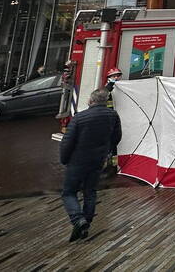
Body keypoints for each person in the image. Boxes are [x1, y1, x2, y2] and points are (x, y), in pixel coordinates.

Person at [59, 87, 121, 242]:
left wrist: (64, 159)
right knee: (90, 191)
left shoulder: (80, 117)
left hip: (77, 161)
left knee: (69, 192)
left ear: (91, 100)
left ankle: (77, 219)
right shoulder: (113, 115)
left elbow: (67, 141)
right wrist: (106, 150)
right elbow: (116, 137)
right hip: (97, 160)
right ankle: (86, 224)